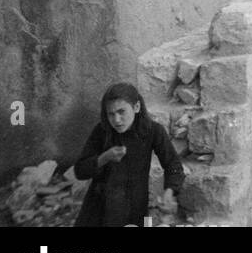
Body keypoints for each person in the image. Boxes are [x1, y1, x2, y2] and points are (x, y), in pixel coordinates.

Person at [73, 82, 183, 227]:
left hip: (135, 208)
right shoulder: (102, 131)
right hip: (99, 209)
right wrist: (105, 157)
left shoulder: (153, 131)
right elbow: (80, 171)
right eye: (111, 114)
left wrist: (169, 192)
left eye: (121, 112)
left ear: (136, 107)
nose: (116, 120)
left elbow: (173, 165)